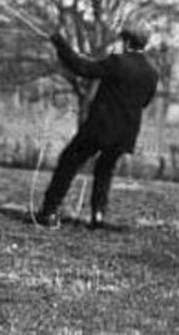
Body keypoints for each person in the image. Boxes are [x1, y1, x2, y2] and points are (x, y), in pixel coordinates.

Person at [35, 21, 159, 228]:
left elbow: (81, 67)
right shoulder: (152, 72)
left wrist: (59, 42)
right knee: (105, 170)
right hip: (126, 133)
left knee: (69, 161)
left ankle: (48, 211)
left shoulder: (117, 62)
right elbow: (145, 101)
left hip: (100, 128)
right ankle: (98, 215)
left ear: (127, 41)